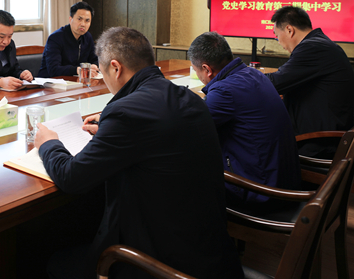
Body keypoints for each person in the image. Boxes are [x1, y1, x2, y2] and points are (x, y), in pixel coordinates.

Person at [35, 27, 243, 279]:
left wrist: (48, 143)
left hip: (163, 264)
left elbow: (71, 177)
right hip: (211, 250)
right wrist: (110, 131)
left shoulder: (126, 112)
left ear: (115, 68)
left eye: (103, 73)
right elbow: (159, 135)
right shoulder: (188, 97)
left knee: (54, 262)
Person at [188, 32, 301, 209]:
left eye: (196, 70)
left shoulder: (224, 91)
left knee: (185, 173)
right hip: (284, 182)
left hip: (261, 194)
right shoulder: (254, 74)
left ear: (207, 69)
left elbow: (189, 130)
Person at [266, 6, 354, 158]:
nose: (279, 42)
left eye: (276, 36)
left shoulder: (313, 47)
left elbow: (275, 82)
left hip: (319, 144)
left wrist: (238, 75)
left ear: (289, 30)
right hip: (324, 136)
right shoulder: (320, 43)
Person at [38, 1, 99, 78]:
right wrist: (77, 70)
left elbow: (94, 59)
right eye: (79, 19)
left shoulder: (87, 37)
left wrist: (94, 65)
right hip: (50, 81)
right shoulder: (55, 38)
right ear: (70, 19)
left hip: (74, 81)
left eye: (87, 21)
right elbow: (53, 69)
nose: (83, 24)